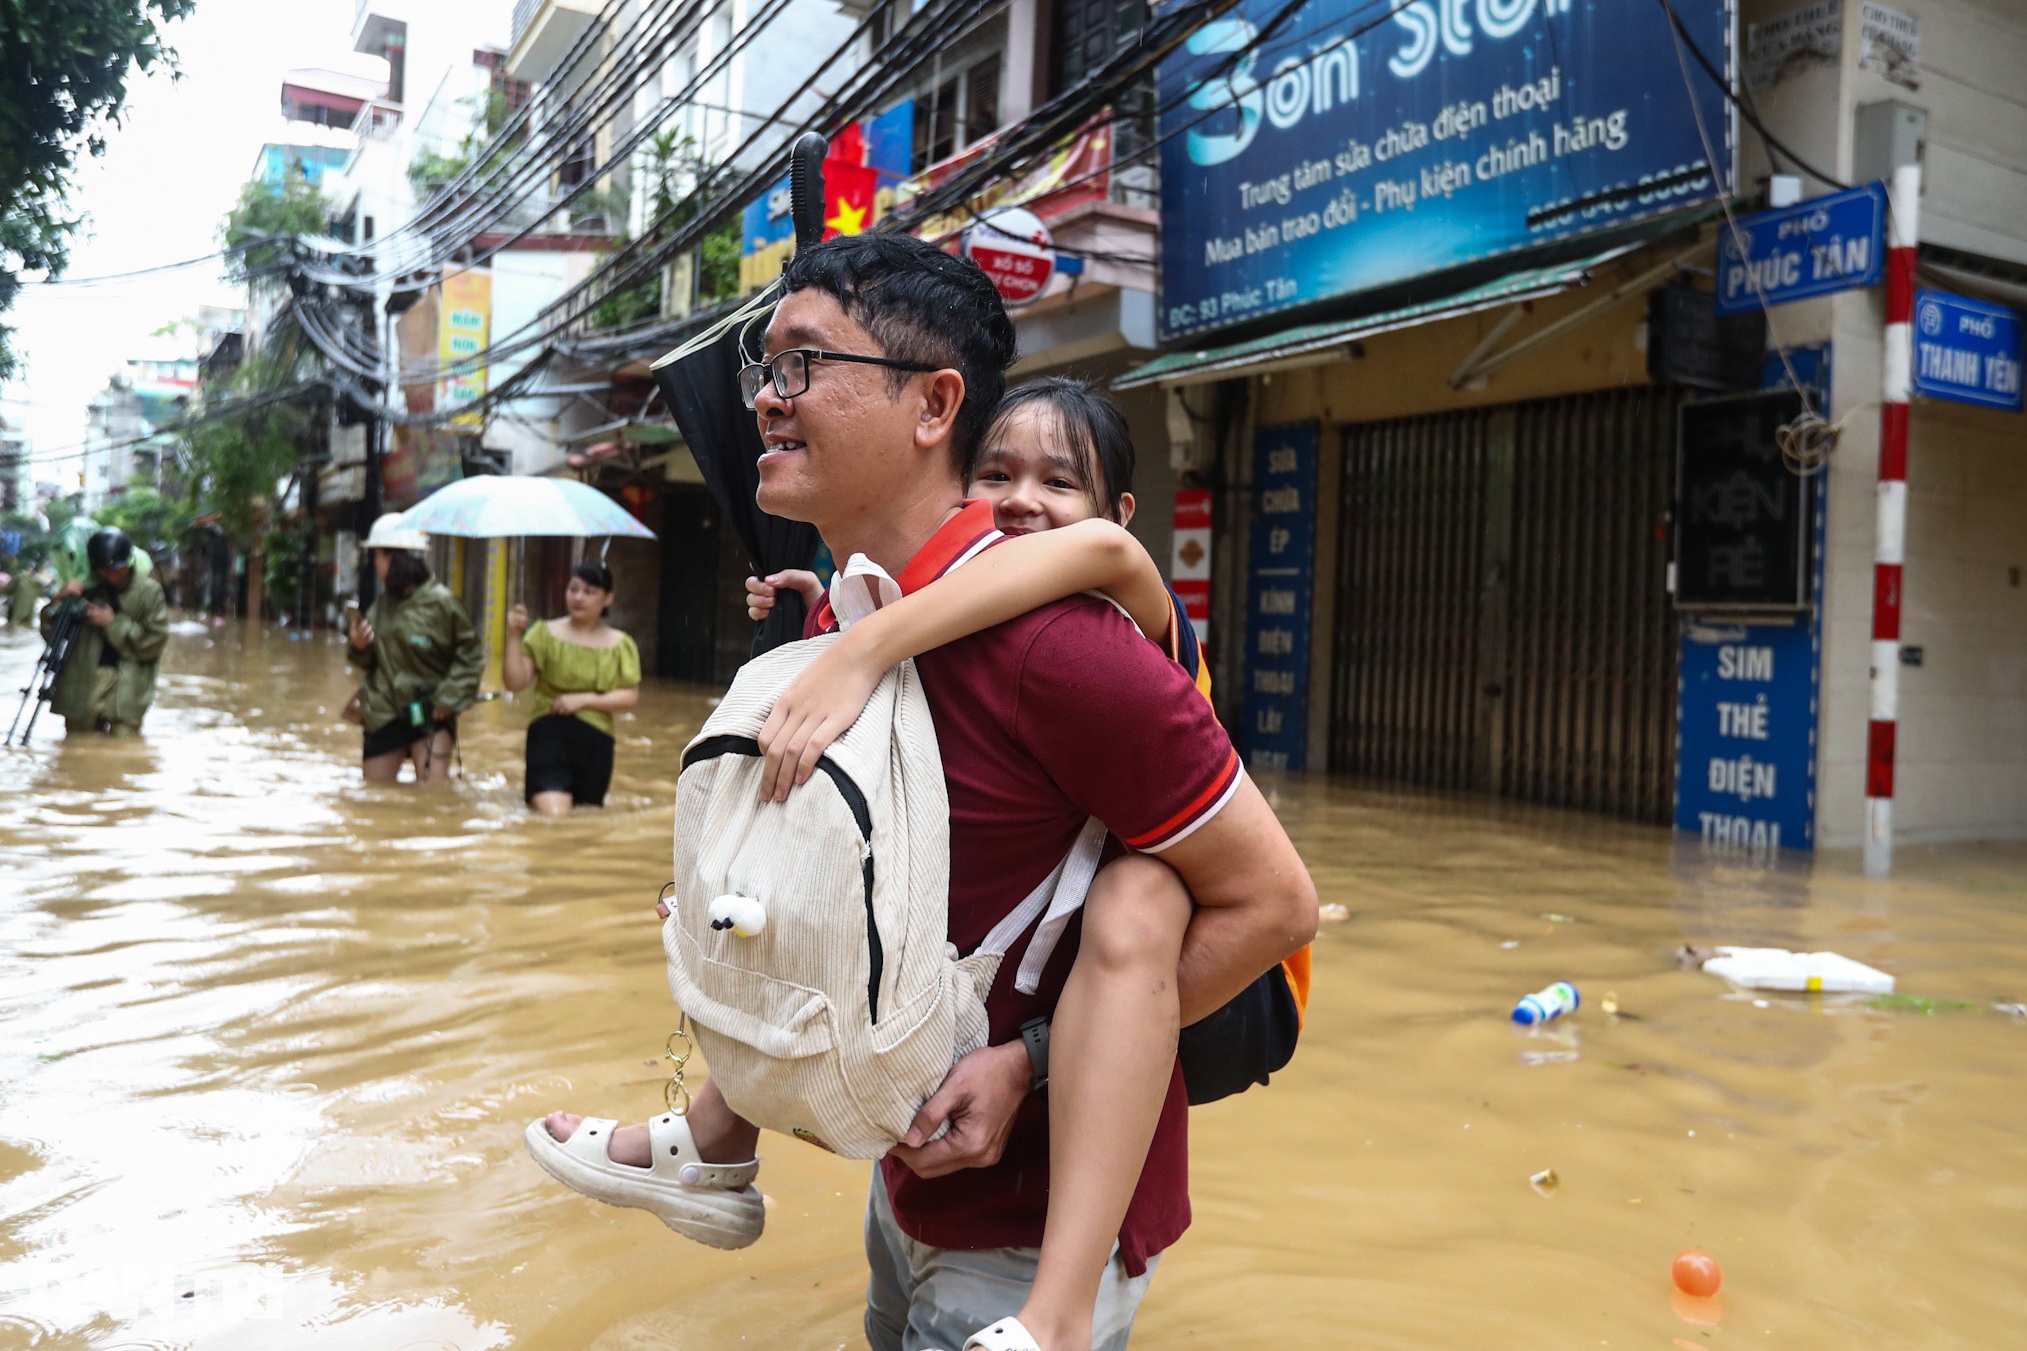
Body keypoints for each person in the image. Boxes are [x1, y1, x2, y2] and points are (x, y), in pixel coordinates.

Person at [535, 234, 1317, 1351]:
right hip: (902, 1199)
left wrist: (1029, 1061)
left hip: (1023, 1243)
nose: (766, 398)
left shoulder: (1063, 646)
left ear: (931, 402)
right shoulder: (841, 619)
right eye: (763, 367)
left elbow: (1273, 909)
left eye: (803, 363)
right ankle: (710, 1140)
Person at [345, 513, 484, 785]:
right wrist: (359, 646)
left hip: (431, 711)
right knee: (376, 796)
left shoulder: (443, 604)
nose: (375, 564)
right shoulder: (381, 606)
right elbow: (370, 661)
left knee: (433, 799)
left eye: (377, 556)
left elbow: (470, 657)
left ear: (392, 558)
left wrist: (448, 698)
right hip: (384, 712)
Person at [502, 561, 642, 815]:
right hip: (548, 736)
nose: (578, 597)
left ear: (607, 598)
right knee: (555, 816)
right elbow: (515, 683)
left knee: (585, 821)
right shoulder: (543, 633)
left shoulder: (621, 644)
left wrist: (585, 699)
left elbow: (630, 697)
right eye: (573, 589)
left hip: (597, 744)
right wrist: (513, 636)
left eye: (589, 592)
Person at [36, 528, 168, 737]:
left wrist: (113, 623)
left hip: (128, 689)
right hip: (82, 688)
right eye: (103, 569)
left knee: (123, 751)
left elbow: (154, 642)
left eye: (116, 569)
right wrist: (61, 599)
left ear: (128, 562)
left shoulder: (149, 592)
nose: (109, 575)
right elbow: (49, 632)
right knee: (77, 749)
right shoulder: (83, 588)